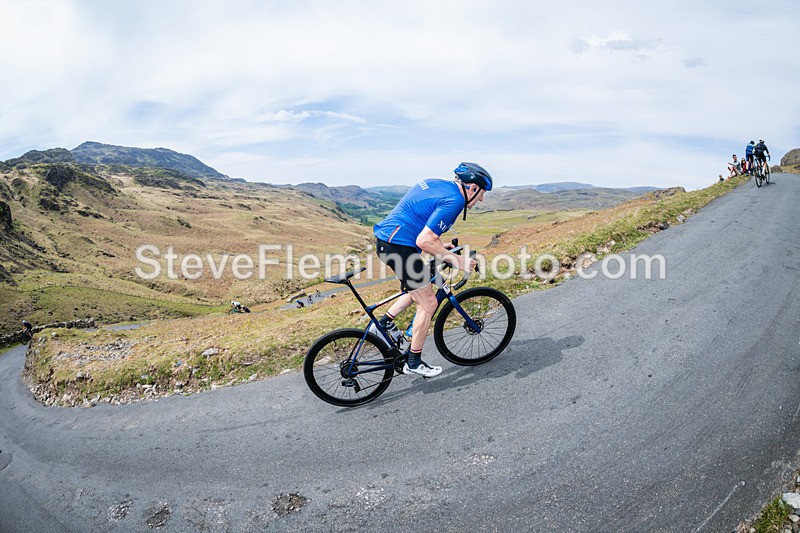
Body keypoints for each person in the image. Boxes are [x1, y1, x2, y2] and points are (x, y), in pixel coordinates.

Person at [371, 162, 492, 378]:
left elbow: (422, 222)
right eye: (481, 193)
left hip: (390, 242)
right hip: (399, 247)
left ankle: (383, 323)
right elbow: (425, 240)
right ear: (472, 188)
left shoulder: (439, 185)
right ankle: (413, 361)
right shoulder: (455, 201)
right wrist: (458, 260)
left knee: (423, 283)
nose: (481, 199)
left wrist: (441, 246)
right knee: (428, 304)